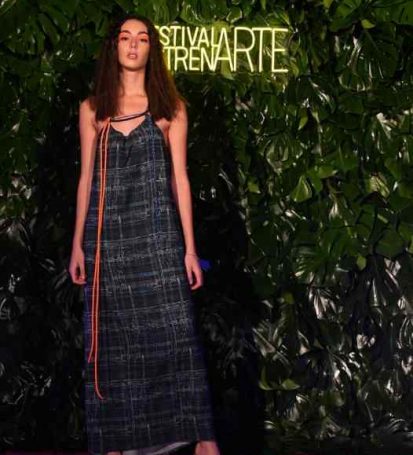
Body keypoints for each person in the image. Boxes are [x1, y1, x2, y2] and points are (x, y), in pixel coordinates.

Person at [69, 13, 220, 455]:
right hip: (107, 241)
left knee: (177, 333)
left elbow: (180, 180)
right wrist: (77, 244)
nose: (133, 45)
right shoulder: (93, 109)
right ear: (114, 46)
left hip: (157, 236)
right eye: (125, 37)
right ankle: (114, 442)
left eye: (142, 39)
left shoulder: (170, 108)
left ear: (152, 49)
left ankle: (204, 441)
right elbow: (85, 179)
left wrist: (189, 250)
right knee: (113, 345)